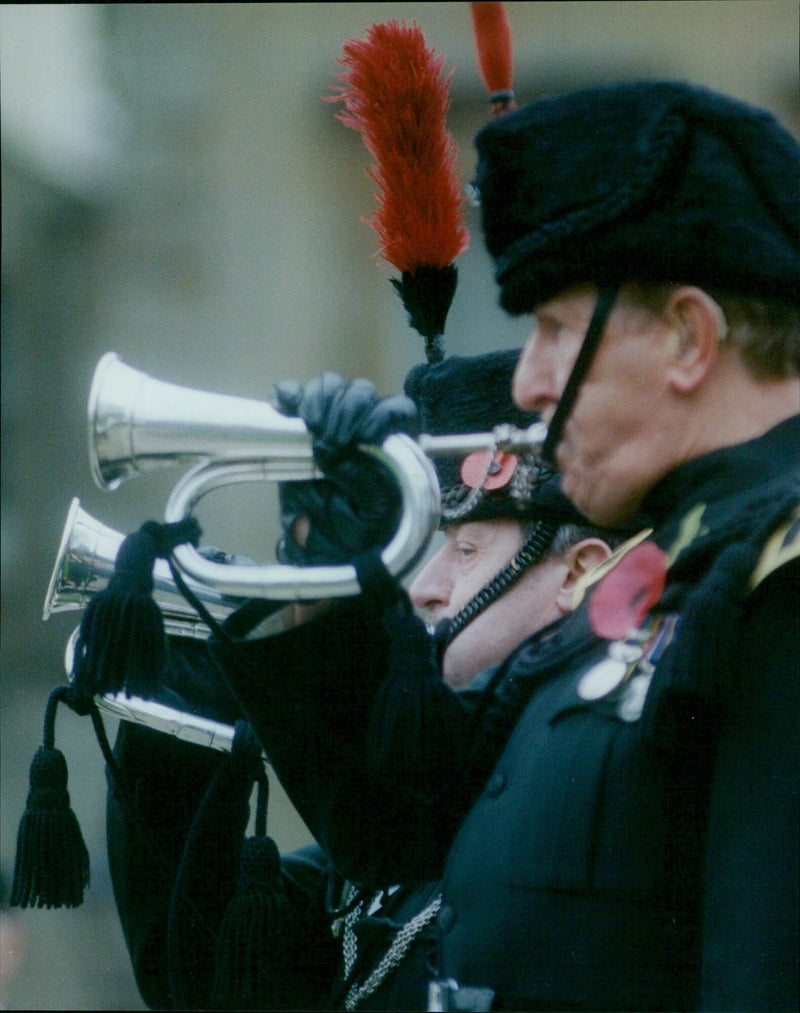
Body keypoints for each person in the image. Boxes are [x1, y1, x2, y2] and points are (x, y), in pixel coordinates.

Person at [206, 81, 798, 1011]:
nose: (527, 382)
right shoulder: (661, 573)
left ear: (690, 338)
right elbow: (405, 829)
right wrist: (337, 567)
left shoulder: (774, 585)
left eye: (557, 332)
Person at [102, 348, 629, 1011]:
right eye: (428, 548)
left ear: (581, 570)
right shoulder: (399, 830)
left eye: (465, 550)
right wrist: (189, 689)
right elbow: (206, 976)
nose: (426, 589)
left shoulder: (585, 777)